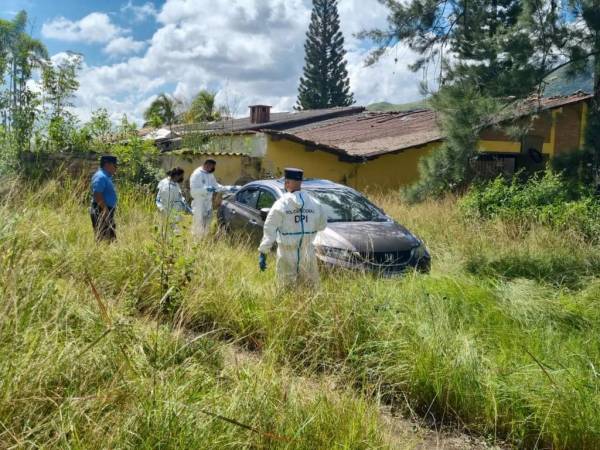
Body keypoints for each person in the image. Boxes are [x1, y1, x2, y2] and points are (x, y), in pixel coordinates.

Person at [258, 168, 328, 288]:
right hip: (308, 254)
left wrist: (263, 252)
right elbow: (322, 225)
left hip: (286, 254)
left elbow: (270, 228)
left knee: (285, 288)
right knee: (309, 288)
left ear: (287, 183)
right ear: (301, 182)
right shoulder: (315, 203)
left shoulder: (281, 204)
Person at [189, 159, 234, 237]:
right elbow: (193, 191)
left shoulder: (210, 174)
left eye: (213, 167)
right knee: (199, 221)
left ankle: (205, 238)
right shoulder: (197, 174)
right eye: (211, 167)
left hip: (208, 202)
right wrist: (205, 189)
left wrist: (227, 188)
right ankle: (196, 240)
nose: (212, 169)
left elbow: (215, 186)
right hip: (199, 202)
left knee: (208, 220)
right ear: (207, 165)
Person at [90, 155, 118, 242]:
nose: (116, 168)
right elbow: (97, 194)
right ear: (108, 165)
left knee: (109, 236)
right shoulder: (101, 176)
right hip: (101, 210)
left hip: (105, 210)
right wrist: (105, 210)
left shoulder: (106, 176)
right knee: (104, 237)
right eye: (115, 165)